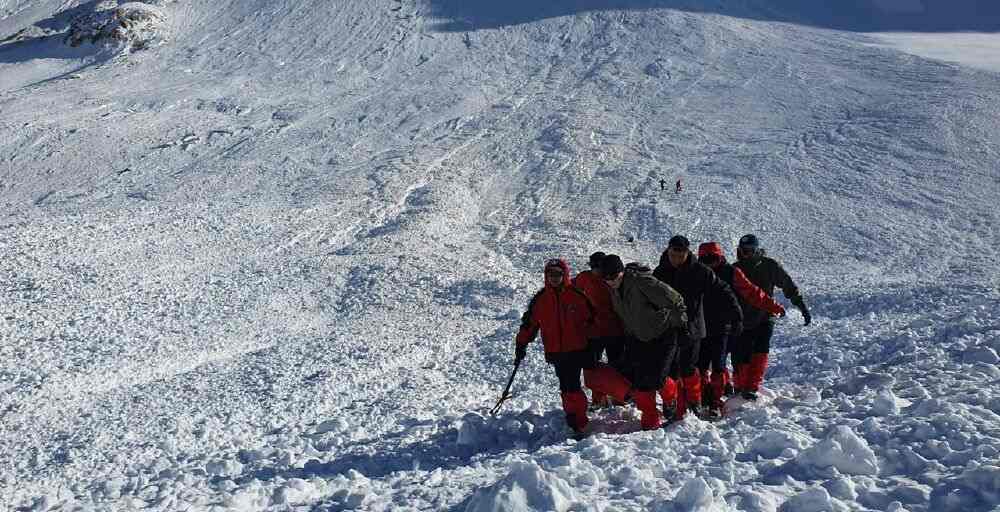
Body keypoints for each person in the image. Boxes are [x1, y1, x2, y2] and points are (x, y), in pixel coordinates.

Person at [585, 255, 688, 430]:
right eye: (606, 278)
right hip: (639, 339)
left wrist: (681, 326)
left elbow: (676, 299)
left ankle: (671, 399)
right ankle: (650, 422)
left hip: (663, 335)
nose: (610, 281)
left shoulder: (642, 283)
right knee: (641, 382)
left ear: (622, 272)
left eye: (614, 277)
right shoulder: (614, 289)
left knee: (655, 378)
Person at [653, 235, 741, 421]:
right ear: (668, 251)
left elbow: (722, 289)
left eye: (679, 255)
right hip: (669, 328)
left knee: (688, 368)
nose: (675, 259)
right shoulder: (661, 271)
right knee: (671, 370)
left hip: (692, 328)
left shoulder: (699, 271)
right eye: (672, 255)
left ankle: (695, 403)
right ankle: (677, 406)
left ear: (687, 253)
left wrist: (736, 314)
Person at [697, 241, 786, 414]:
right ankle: (704, 396)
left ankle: (716, 400)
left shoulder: (731, 273)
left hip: (723, 326)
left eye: (713, 258)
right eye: (705, 260)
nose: (710, 263)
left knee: (719, 364)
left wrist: (773, 306)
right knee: (699, 366)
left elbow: (753, 292)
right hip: (700, 325)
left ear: (720, 257)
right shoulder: (695, 273)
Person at [515, 258, 596, 435]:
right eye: (550, 274)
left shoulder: (577, 295)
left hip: (577, 349)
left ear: (564, 275)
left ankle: (578, 420)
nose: (554, 278)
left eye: (558, 274)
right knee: (565, 384)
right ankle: (573, 415)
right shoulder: (541, 299)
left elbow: (592, 320)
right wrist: (521, 343)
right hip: (556, 351)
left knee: (572, 384)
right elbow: (529, 324)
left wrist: (593, 344)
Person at [732, 234, 811, 400]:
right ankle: (740, 387)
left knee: (761, 350)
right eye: (743, 251)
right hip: (742, 318)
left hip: (764, 316)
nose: (746, 254)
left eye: (749, 251)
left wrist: (801, 305)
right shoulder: (735, 268)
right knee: (742, 353)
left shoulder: (769, 266)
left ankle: (752, 387)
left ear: (756, 250)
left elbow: (787, 284)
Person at [571, 251, 626, 409]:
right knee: (593, 366)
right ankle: (598, 398)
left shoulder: (611, 279)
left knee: (617, 364)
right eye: (593, 267)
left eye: (598, 267)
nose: (596, 270)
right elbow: (571, 286)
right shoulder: (585, 278)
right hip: (594, 331)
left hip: (615, 329)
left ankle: (619, 396)